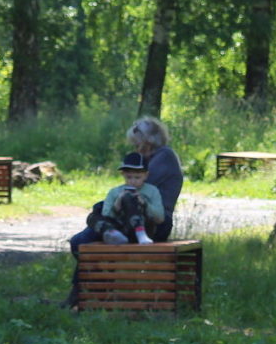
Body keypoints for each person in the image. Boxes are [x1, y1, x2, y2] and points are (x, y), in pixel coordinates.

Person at [64, 116, 185, 305]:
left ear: (149, 140)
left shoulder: (164, 156)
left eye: (138, 144)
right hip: (129, 217)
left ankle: (86, 296)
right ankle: (86, 294)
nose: (136, 148)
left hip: (154, 222)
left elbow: (136, 192)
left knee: (85, 235)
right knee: (81, 239)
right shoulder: (147, 159)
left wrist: (110, 204)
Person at [91, 152, 165, 245]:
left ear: (146, 175)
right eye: (129, 177)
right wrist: (117, 205)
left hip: (145, 228)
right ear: (123, 174)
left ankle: (140, 232)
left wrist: (144, 203)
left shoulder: (152, 191)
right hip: (121, 228)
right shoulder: (115, 192)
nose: (133, 181)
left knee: (130, 197)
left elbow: (160, 217)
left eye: (137, 177)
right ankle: (113, 234)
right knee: (92, 216)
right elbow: (106, 214)